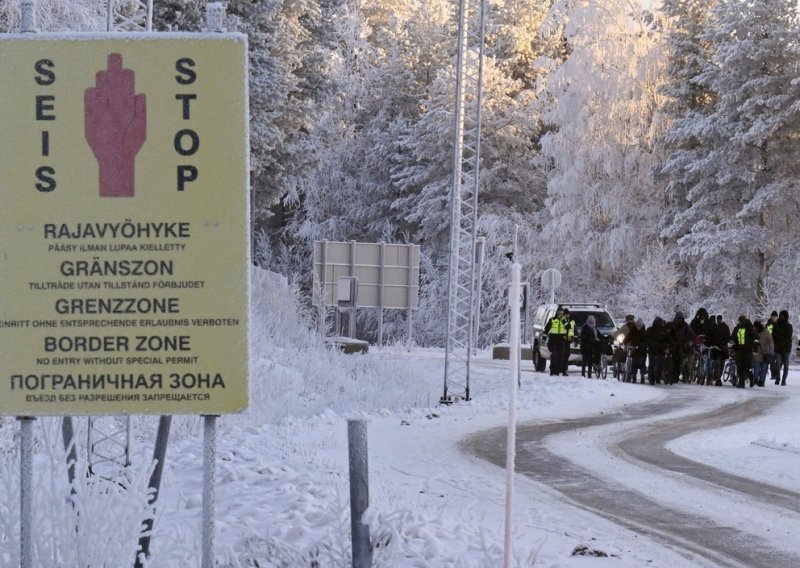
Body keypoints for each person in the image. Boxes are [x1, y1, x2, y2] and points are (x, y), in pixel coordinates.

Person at [667, 311, 696, 384]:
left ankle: (677, 376)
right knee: (673, 362)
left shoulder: (685, 326)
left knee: (679, 362)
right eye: (678, 318)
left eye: (681, 318)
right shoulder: (672, 325)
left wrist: (689, 342)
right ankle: (673, 376)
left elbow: (691, 334)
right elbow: (667, 333)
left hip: (681, 346)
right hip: (673, 346)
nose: (679, 320)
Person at [731, 316, 756, 388]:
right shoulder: (737, 328)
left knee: (747, 367)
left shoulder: (750, 328)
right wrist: (732, 343)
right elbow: (733, 337)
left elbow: (755, 337)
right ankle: (741, 383)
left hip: (748, 350)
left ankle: (751, 377)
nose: (739, 323)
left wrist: (754, 346)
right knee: (740, 367)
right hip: (739, 350)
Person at [771, 310, 793, 386]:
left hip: (786, 349)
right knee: (778, 364)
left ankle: (783, 380)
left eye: (783, 316)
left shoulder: (789, 326)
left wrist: (782, 343)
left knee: (786, 365)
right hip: (778, 349)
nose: (781, 317)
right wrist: (776, 343)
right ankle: (778, 378)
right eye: (780, 316)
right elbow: (773, 336)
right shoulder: (776, 326)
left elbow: (788, 337)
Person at [545, 307, 569, 376]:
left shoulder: (565, 320)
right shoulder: (552, 319)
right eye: (559, 312)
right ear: (557, 312)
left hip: (561, 339)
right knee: (554, 355)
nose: (560, 314)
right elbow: (547, 328)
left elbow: (568, 328)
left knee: (561, 356)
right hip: (553, 339)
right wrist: (544, 335)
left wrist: (563, 320)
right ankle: (553, 370)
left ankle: (558, 370)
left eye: (561, 313)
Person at [645, 316, 669, 385]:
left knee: (660, 365)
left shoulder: (664, 331)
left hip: (661, 350)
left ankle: (657, 377)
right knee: (651, 365)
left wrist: (666, 346)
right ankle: (651, 378)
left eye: (659, 322)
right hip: (652, 350)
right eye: (657, 322)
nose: (658, 324)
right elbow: (646, 338)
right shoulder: (650, 330)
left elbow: (667, 340)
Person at [753, 320, 773, 387]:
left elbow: (770, 341)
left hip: (764, 353)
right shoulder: (756, 332)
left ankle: (761, 381)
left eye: (755, 327)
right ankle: (757, 379)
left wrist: (771, 350)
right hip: (758, 353)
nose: (754, 328)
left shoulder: (766, 332)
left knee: (763, 368)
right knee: (758, 368)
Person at [627, 318, 648, 383]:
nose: (638, 328)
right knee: (634, 362)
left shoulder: (644, 332)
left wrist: (643, 344)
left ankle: (642, 375)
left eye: (640, 326)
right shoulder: (632, 331)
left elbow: (647, 340)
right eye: (637, 326)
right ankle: (634, 376)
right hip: (634, 349)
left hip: (642, 350)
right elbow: (628, 337)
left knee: (642, 362)